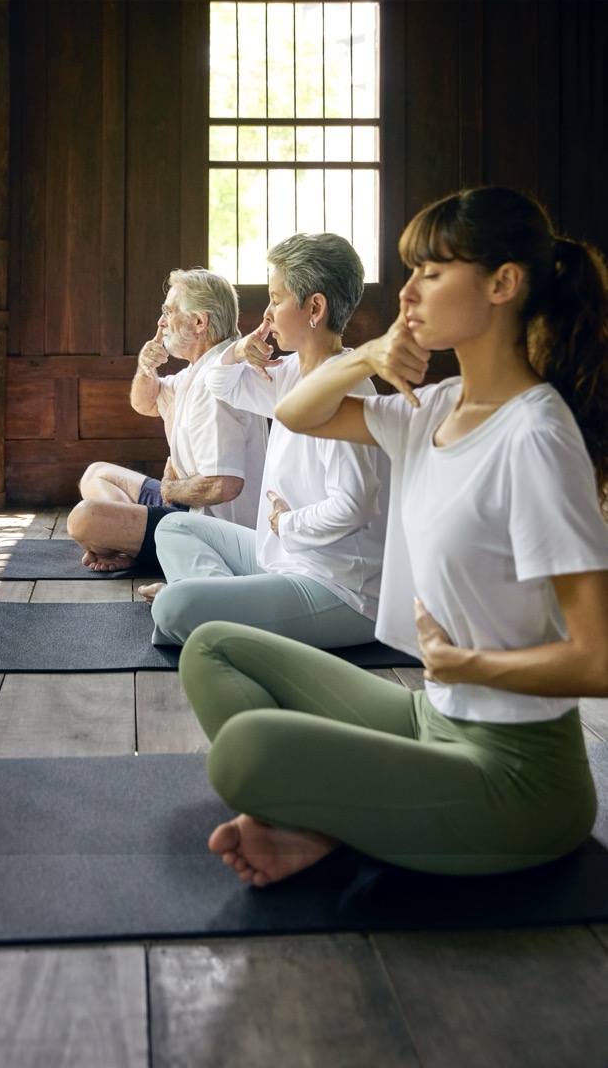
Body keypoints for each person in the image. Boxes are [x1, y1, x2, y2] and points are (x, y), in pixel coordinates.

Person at [179, 186, 608, 886]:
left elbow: (597, 660)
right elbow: (296, 412)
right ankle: (333, 820)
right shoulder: (431, 406)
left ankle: (329, 820)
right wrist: (364, 355)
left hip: (516, 776)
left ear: (502, 283)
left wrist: (470, 667)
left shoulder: (534, 433)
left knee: (247, 753)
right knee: (213, 648)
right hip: (430, 715)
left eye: (431, 273)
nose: (408, 292)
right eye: (409, 272)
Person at [145, 233, 389, 653]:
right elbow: (218, 383)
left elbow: (356, 504)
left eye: (276, 299)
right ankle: (221, 606)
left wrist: (285, 524)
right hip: (281, 560)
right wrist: (239, 350)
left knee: (172, 607)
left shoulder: (345, 390)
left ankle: (209, 608)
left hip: (339, 590)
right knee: (174, 526)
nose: (268, 313)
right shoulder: (292, 373)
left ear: (315, 308)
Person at [67, 268, 268, 574]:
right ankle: (127, 543)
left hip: (209, 530)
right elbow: (145, 403)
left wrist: (170, 490)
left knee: (84, 519)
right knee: (97, 474)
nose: (161, 322)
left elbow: (224, 486)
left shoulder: (218, 381)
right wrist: (146, 368)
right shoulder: (196, 370)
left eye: (169, 311)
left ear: (199, 322)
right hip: (184, 501)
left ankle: (128, 543)